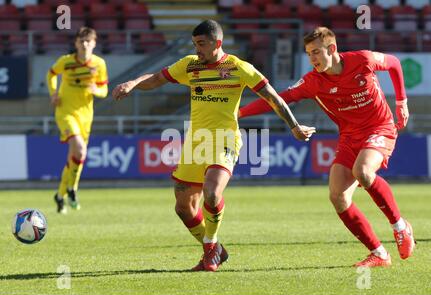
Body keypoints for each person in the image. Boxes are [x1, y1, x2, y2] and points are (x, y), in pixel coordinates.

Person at [112, 20, 315, 272]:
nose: (197, 49)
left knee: (212, 192)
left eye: (201, 44)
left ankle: (209, 250)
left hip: (225, 139)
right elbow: (155, 79)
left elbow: (273, 97)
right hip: (196, 142)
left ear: (217, 43)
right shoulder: (190, 65)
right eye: (195, 44)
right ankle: (216, 248)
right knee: (183, 207)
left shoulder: (240, 68)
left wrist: (294, 126)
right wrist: (132, 83)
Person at [239, 27, 415, 268]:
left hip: (379, 128)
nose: (312, 59)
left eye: (316, 53)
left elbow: (394, 63)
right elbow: (278, 99)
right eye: (308, 54)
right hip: (349, 137)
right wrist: (240, 113)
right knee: (338, 197)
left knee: (363, 172)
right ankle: (379, 254)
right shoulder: (313, 82)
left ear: (332, 49)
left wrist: (402, 102)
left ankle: (400, 226)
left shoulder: (363, 59)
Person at [46, 27, 108, 214]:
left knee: (77, 156)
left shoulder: (99, 64)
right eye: (81, 41)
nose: (84, 44)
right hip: (65, 112)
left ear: (94, 43)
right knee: (79, 148)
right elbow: (51, 74)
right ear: (76, 43)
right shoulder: (66, 62)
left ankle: (61, 194)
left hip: (86, 115)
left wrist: (96, 91)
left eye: (88, 41)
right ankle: (72, 190)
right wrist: (53, 93)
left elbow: (104, 90)